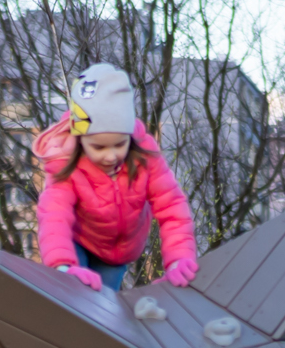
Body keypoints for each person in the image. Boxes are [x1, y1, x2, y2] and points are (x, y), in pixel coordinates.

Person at [32, 62, 200, 293]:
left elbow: (171, 207)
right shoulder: (66, 163)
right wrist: (61, 266)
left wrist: (179, 259)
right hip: (77, 241)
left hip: (119, 252)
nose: (111, 156)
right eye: (99, 147)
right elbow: (54, 216)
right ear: (81, 140)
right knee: (75, 296)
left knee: (104, 308)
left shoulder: (145, 157)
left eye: (120, 144)